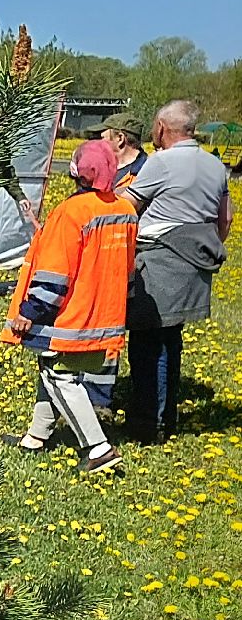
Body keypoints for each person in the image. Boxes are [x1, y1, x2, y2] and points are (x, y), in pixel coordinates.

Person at [0, 138, 137, 473]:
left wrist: (28, 314)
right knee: (53, 370)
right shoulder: (125, 210)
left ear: (76, 173)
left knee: (60, 375)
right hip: (105, 315)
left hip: (70, 316)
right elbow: (128, 271)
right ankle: (36, 436)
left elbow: (54, 276)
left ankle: (98, 448)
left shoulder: (70, 213)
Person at [122, 100, 234, 444]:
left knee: (147, 341)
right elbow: (225, 219)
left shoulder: (162, 163)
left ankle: (147, 425)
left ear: (160, 127)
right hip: (194, 262)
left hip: (159, 260)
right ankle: (165, 419)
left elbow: (127, 206)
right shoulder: (215, 165)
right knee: (171, 340)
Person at [78, 112, 147, 193]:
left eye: (102, 138)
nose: (98, 143)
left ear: (120, 138)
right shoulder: (97, 167)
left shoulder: (145, 172)